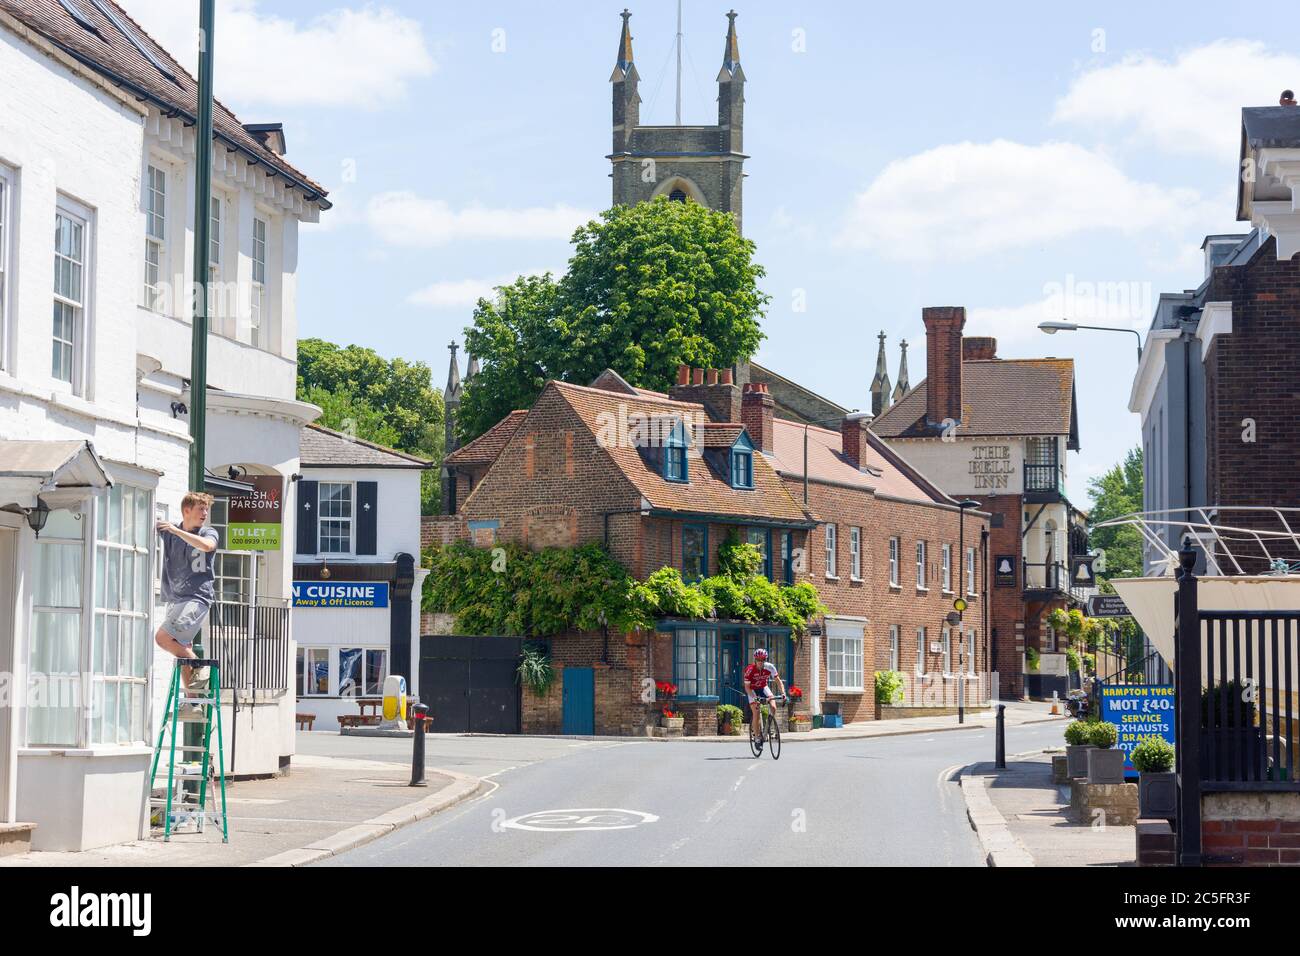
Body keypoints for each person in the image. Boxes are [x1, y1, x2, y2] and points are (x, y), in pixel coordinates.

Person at [155, 491, 220, 695]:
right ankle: (193, 699)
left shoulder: (207, 532)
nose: (205, 513)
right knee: (181, 647)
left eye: (206, 509)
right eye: (201, 508)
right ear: (187, 510)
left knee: (163, 638)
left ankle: (200, 667)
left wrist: (177, 532)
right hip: (174, 599)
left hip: (196, 598)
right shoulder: (170, 531)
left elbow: (208, 546)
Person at [743, 648, 785, 748]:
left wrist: (783, 693)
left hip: (763, 687)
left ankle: (767, 730)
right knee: (756, 713)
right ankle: (757, 737)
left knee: (773, 707)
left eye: (762, 660)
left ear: (765, 660)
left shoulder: (770, 667)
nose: (760, 662)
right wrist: (754, 697)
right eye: (758, 660)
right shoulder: (750, 670)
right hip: (752, 690)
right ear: (755, 660)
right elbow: (747, 688)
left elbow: (778, 681)